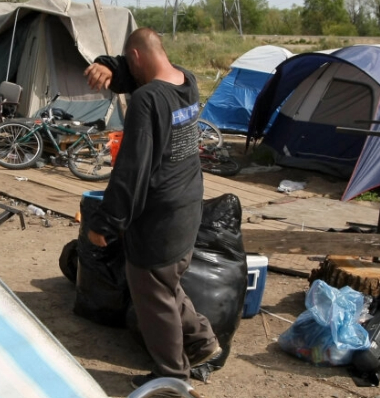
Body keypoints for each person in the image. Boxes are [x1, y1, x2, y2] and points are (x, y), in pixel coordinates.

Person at [83, 27, 222, 389]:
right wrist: (108, 65)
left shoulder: (146, 100)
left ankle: (172, 377)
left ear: (136, 58)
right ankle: (203, 341)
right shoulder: (186, 82)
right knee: (167, 283)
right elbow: (143, 69)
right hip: (189, 206)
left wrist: (106, 222)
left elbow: (132, 171)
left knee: (152, 295)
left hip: (159, 217)